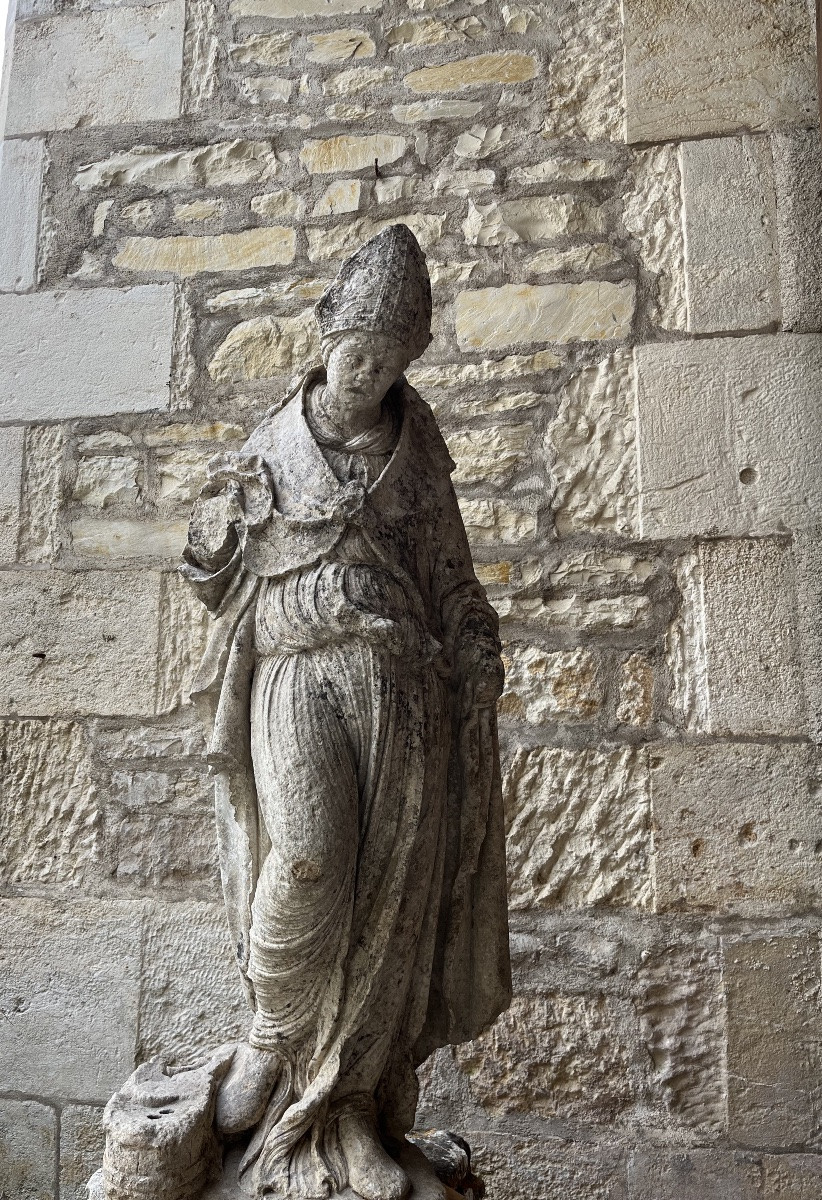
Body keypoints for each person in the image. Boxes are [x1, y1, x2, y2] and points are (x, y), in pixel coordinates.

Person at [180, 224, 511, 1200]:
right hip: (295, 673)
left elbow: (452, 580)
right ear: (326, 332)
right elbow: (208, 569)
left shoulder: (419, 456)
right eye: (357, 347)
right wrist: (215, 537)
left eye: (390, 358)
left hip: (403, 692)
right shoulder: (270, 448)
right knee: (312, 856)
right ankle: (271, 1043)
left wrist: (479, 648)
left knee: (389, 904)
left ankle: (349, 1110)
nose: (367, 371)